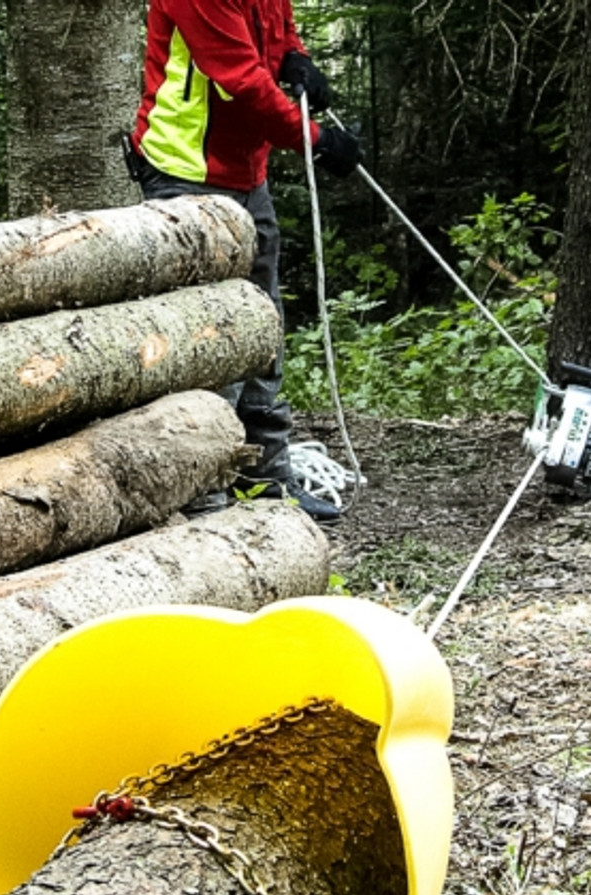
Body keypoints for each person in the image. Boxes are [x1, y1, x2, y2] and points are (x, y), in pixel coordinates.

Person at [129, 0, 361, 522]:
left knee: (262, 325)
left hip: (246, 176)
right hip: (184, 176)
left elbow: (274, 34)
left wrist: (296, 59)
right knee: (209, 339)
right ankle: (203, 489)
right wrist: (318, 142)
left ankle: (264, 478)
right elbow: (240, 82)